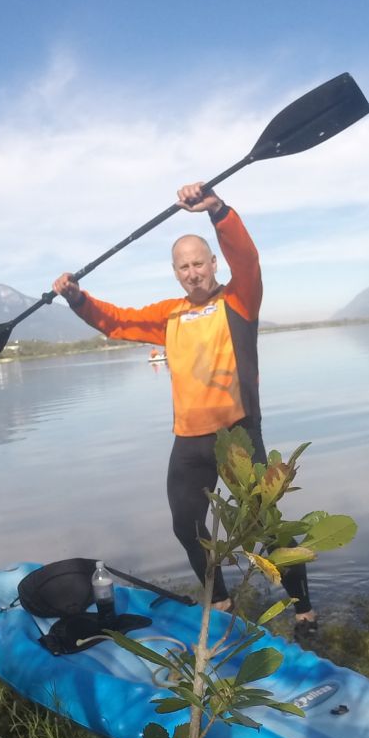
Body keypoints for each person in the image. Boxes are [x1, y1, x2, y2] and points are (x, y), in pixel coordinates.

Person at [53, 183, 315, 634]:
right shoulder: (168, 315)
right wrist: (78, 298)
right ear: (175, 273)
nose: (193, 272)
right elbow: (116, 322)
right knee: (186, 524)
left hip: (238, 434)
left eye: (199, 263)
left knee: (265, 525)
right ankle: (224, 602)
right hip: (189, 440)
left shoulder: (239, 301)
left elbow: (248, 260)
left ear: (213, 264)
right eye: (184, 267)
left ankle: (304, 610)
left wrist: (217, 209)